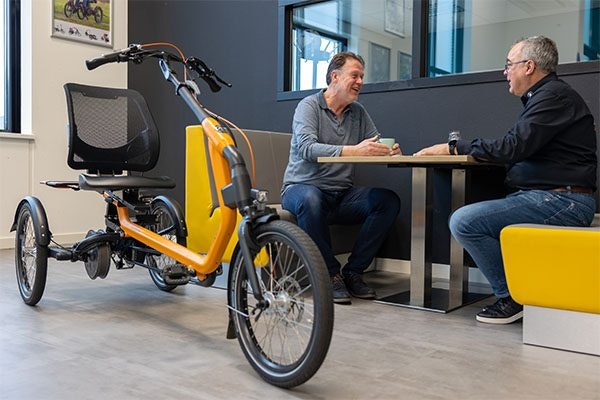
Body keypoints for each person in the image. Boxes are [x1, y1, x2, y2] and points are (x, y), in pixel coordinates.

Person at [415, 36, 597, 324]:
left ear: (529, 66)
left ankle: (511, 296)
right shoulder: (546, 97)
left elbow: (512, 147)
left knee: (464, 221)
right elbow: (517, 147)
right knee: (474, 218)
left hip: (564, 200)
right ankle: (522, 290)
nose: (505, 72)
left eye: (509, 64)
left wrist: (453, 147)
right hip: (552, 196)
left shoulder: (552, 97)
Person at [282, 52, 402, 305]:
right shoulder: (309, 106)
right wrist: (353, 150)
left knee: (387, 201)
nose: (360, 82)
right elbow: (306, 148)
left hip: (340, 196)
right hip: (300, 189)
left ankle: (353, 272)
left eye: (361, 77)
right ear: (334, 77)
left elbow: (374, 142)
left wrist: (387, 150)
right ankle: (330, 274)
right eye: (354, 75)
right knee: (311, 198)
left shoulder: (357, 112)